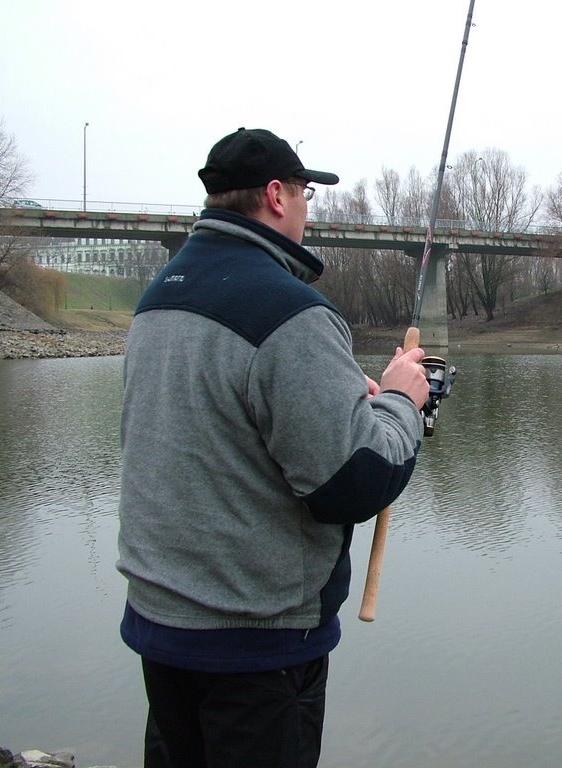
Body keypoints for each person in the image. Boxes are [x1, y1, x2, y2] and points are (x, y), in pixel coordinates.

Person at [115, 127, 430, 768]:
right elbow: (352, 483)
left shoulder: (159, 297)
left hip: (162, 629)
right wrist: (401, 401)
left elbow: (222, 429)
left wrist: (340, 402)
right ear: (277, 196)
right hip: (255, 648)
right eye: (308, 193)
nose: (310, 210)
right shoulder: (290, 311)